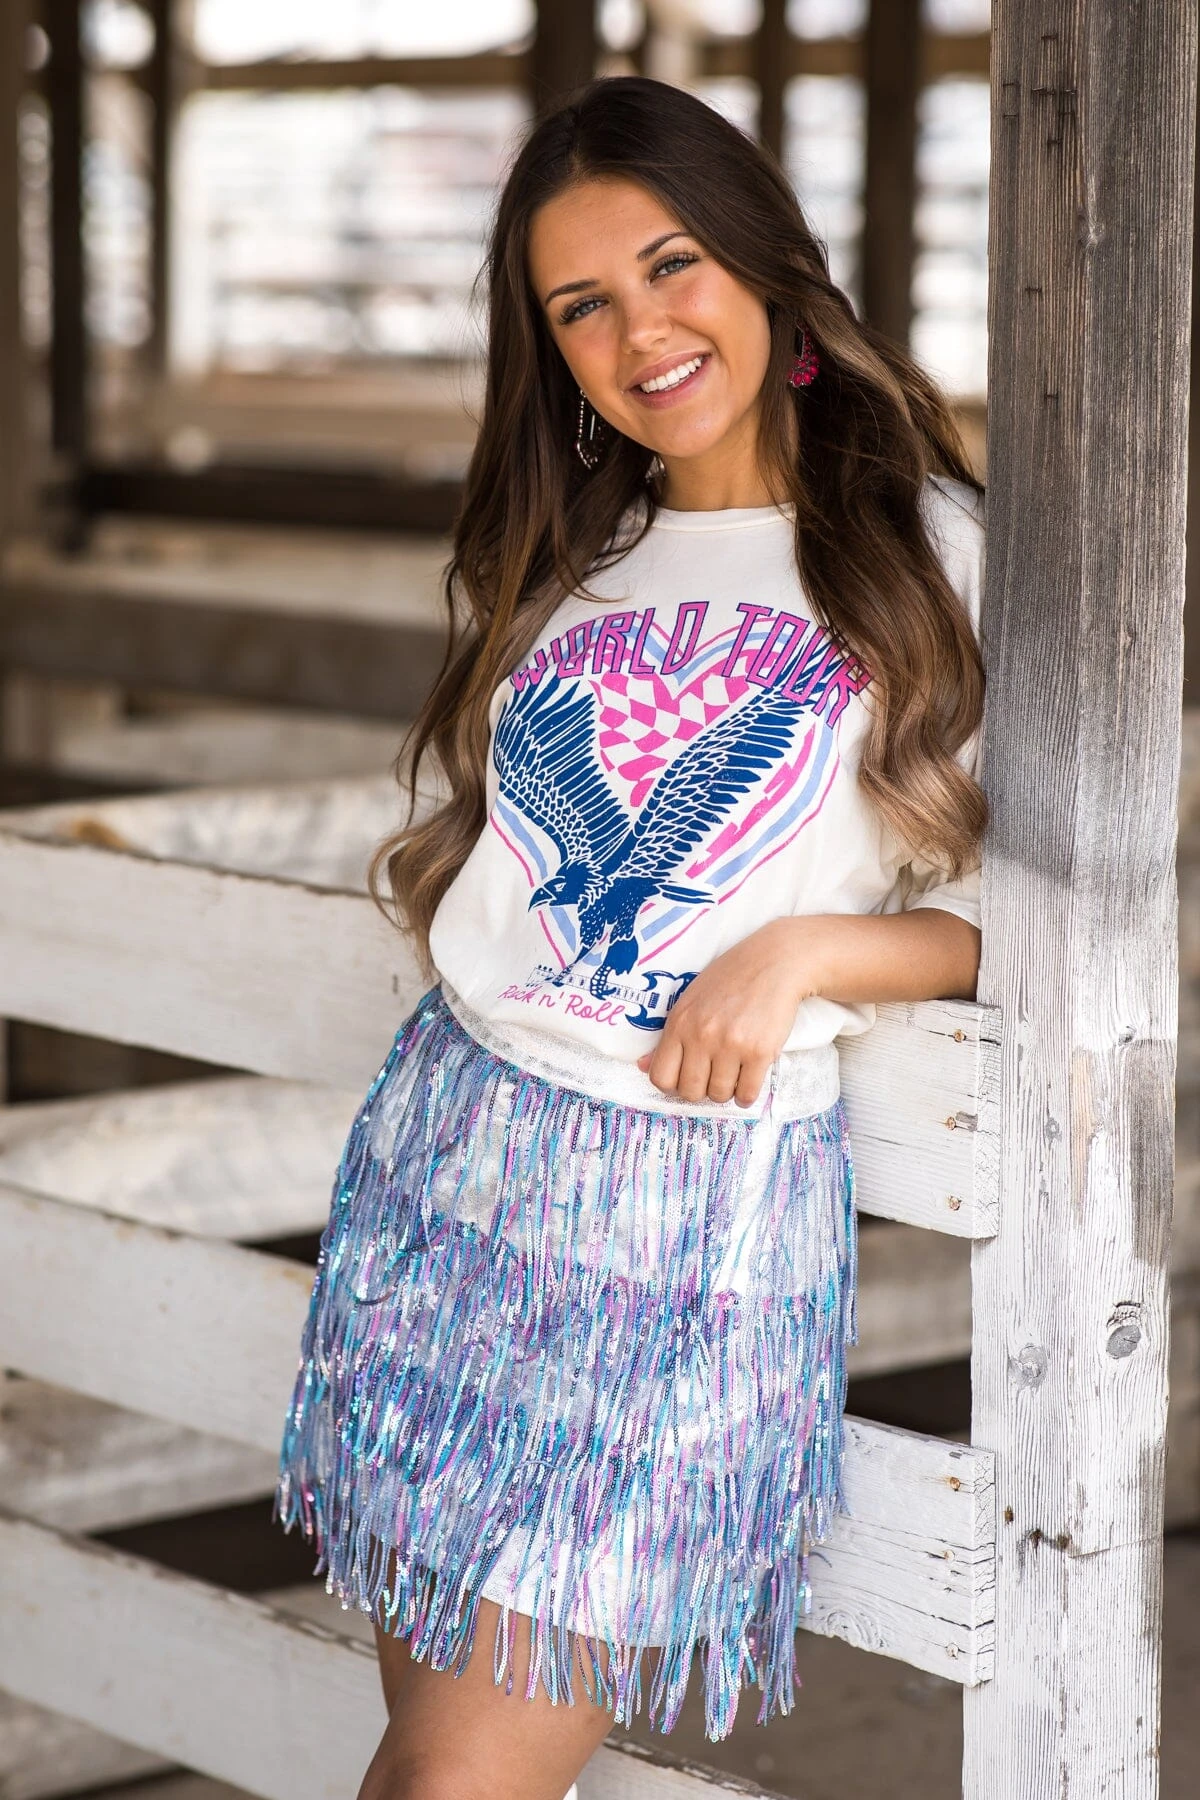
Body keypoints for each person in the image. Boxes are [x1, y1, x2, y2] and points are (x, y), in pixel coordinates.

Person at [274, 75, 986, 1800]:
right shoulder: (574, 556)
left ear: (765, 265)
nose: (640, 332)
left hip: (678, 1221)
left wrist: (804, 954)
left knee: (456, 1780)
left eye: (673, 267)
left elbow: (1038, 922)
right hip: (451, 1171)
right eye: (580, 305)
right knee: (428, 1759)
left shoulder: (931, 554)